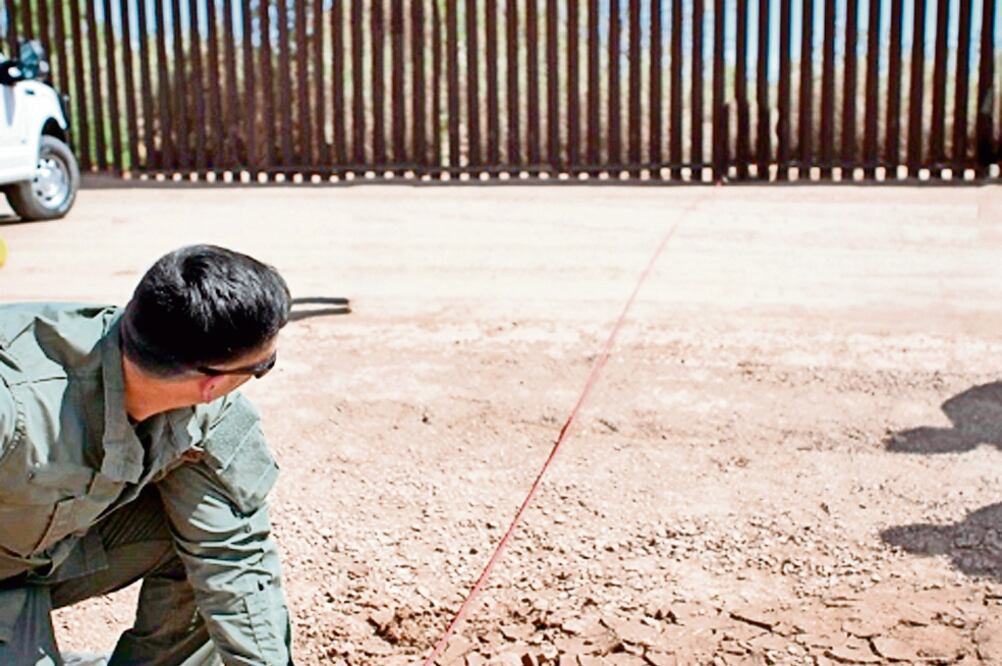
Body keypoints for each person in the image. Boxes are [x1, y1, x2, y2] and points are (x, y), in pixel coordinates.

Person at [0, 244, 294, 665]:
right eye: (264, 366)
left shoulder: (207, 411)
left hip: (38, 558)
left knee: (196, 539)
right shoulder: (16, 403)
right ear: (210, 383)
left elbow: (234, 557)